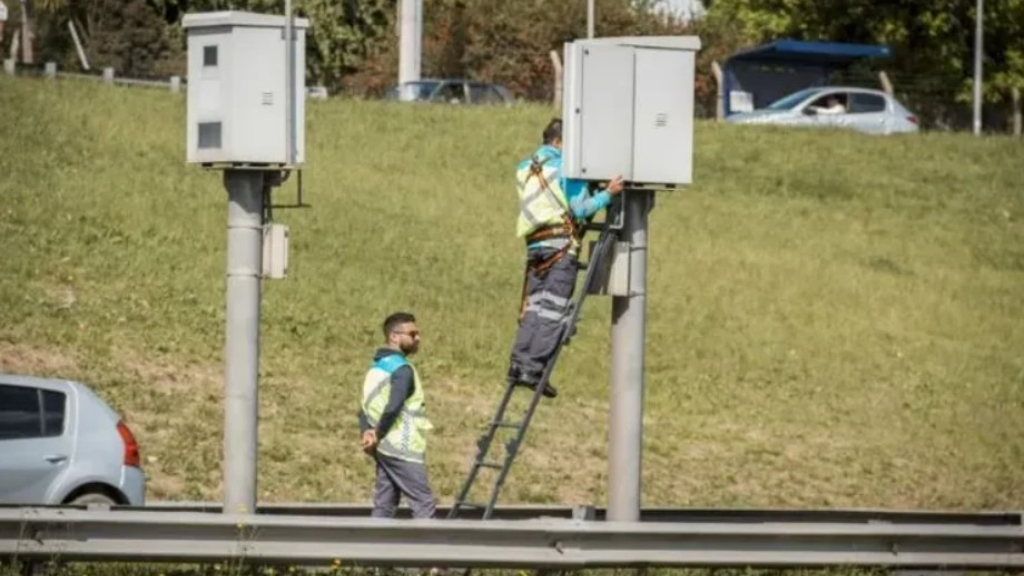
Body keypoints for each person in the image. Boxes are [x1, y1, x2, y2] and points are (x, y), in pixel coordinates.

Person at [506, 118, 624, 399]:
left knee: (534, 308)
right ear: (560, 142)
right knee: (553, 310)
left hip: (536, 245)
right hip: (561, 246)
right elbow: (580, 209)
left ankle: (519, 364)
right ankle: (534, 369)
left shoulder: (526, 168)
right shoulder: (566, 167)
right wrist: (607, 194)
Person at [359, 311, 437, 519]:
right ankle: (428, 551)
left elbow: (365, 407)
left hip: (383, 448)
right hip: (402, 447)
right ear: (394, 336)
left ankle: (373, 549)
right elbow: (393, 406)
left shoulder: (375, 368)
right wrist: (377, 433)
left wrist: (368, 432)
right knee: (423, 504)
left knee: (385, 504)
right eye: (412, 334)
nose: (417, 338)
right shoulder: (402, 369)